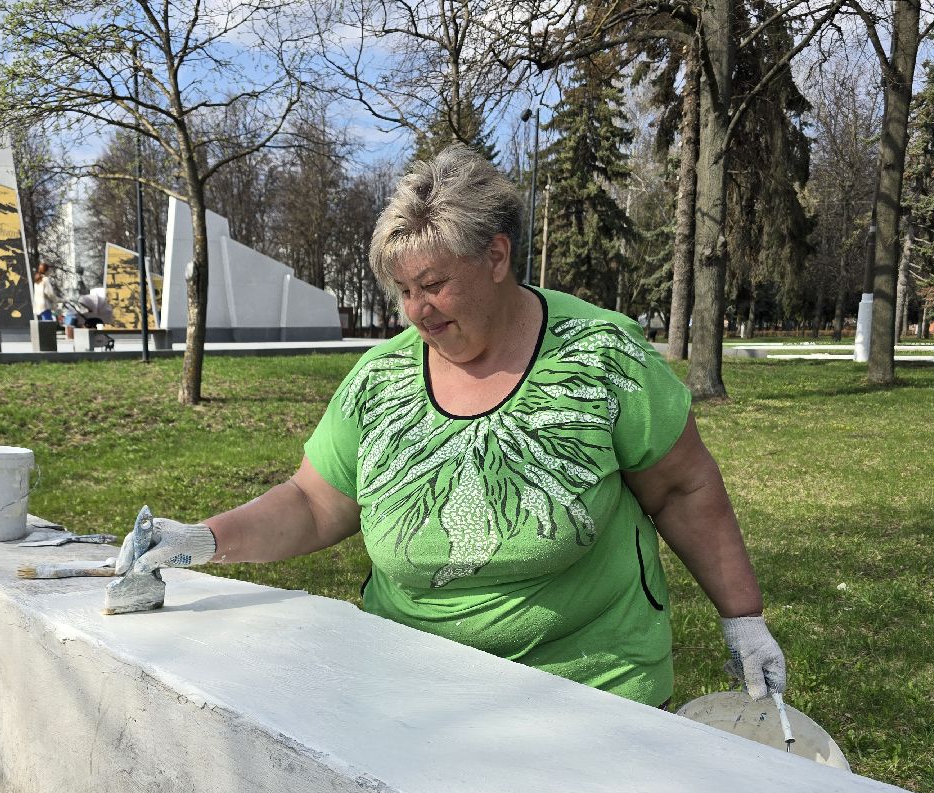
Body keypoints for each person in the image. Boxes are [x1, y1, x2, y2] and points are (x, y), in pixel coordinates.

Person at [113, 145, 786, 709]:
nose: (416, 311)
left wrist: (743, 618)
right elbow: (316, 503)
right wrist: (204, 539)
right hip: (412, 690)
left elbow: (682, 488)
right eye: (403, 291)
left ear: (495, 258)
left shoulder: (599, 358)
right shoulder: (382, 381)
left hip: (591, 691)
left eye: (432, 284)